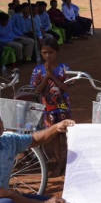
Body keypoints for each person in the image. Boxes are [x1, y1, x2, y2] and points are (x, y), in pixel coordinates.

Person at [31, 38, 73, 172]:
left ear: (57, 52)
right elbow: (37, 90)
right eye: (44, 53)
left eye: (51, 52)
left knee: (66, 134)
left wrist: (52, 76)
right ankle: (59, 162)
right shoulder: (38, 70)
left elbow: (67, 88)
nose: (48, 56)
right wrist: (46, 77)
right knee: (54, 135)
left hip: (63, 107)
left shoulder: (64, 69)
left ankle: (70, 162)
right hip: (48, 109)